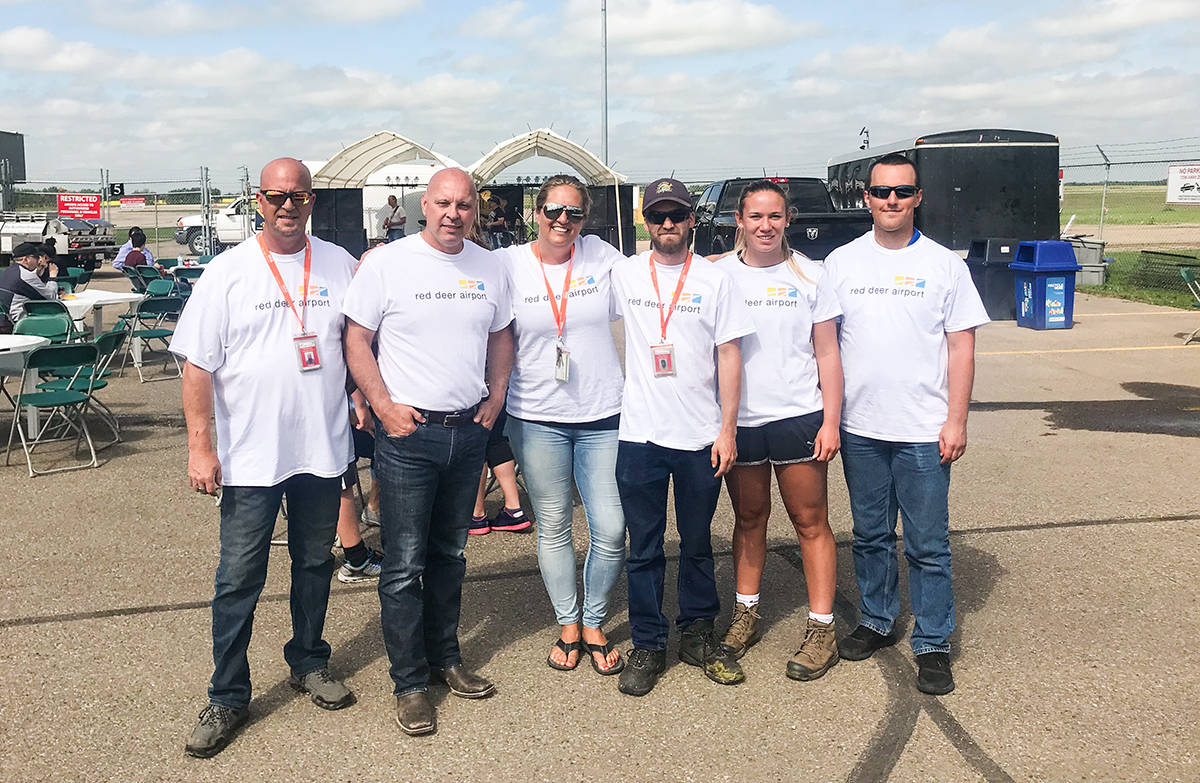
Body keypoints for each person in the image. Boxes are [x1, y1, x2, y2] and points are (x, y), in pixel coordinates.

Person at [172, 158, 359, 758]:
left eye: (298, 196)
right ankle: (227, 695)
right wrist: (202, 447)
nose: (288, 205)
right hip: (251, 458)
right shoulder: (226, 274)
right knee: (238, 579)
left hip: (321, 451)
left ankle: (309, 660)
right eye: (277, 196)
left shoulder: (339, 264)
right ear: (259, 200)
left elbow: (362, 339)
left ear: (312, 201)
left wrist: (362, 391)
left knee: (313, 564)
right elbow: (196, 365)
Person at [343, 167, 513, 737]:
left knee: (450, 557)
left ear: (476, 211)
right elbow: (356, 340)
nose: (453, 214)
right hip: (408, 438)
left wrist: (496, 397)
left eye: (464, 205)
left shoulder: (489, 265)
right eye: (443, 203)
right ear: (425, 206)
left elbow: (501, 336)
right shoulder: (388, 263)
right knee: (403, 565)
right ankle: (410, 683)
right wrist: (383, 405)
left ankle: (446, 659)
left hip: (467, 434)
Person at [823, 152, 989, 696]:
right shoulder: (842, 262)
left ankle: (934, 641)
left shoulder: (945, 265)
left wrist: (956, 420)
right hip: (861, 426)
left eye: (902, 191)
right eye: (881, 192)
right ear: (866, 199)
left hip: (923, 430)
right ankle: (876, 618)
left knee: (927, 543)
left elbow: (962, 346)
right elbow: (826, 344)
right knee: (870, 535)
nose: (891, 200)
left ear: (918, 197)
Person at [611, 177, 754, 696]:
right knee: (643, 546)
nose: (667, 225)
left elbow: (729, 354)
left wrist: (727, 429)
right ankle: (648, 643)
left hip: (699, 437)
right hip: (640, 436)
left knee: (697, 543)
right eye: (658, 217)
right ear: (645, 223)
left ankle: (698, 633)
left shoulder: (716, 281)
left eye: (676, 215)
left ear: (692, 220)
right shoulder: (623, 274)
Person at [708, 180, 844, 683]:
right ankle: (746, 614)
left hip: (798, 417)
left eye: (775, 216)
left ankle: (821, 626)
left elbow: (828, 351)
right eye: (755, 217)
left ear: (788, 219)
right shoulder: (717, 275)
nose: (765, 226)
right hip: (739, 421)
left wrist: (831, 420)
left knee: (811, 521)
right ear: (738, 222)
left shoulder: (811, 274)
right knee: (749, 519)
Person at [495, 174, 627, 675]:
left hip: (603, 415)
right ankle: (571, 624)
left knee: (611, 527)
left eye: (572, 212)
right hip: (535, 417)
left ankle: (595, 617)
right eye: (552, 210)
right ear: (536, 214)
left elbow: (660, 272)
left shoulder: (602, 258)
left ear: (584, 218)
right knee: (553, 522)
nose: (561, 221)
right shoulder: (509, 264)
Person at [0, 241, 59, 330]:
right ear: (26, 259)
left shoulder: (8, 271)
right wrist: (53, 276)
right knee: (58, 316)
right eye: (36, 257)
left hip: (6, 317)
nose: (38, 260)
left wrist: (38, 272)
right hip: (21, 321)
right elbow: (51, 297)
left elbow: (28, 287)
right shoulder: (26, 276)